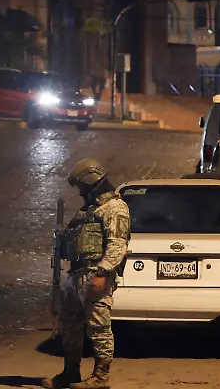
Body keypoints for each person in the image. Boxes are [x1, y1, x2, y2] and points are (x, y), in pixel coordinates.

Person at [44, 158, 130, 389]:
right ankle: (70, 371)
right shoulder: (91, 209)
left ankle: (100, 377)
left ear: (90, 181)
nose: (80, 191)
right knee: (70, 324)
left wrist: (103, 272)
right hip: (77, 273)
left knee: (99, 326)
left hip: (95, 273)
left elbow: (117, 245)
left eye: (81, 186)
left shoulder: (115, 209)